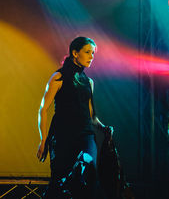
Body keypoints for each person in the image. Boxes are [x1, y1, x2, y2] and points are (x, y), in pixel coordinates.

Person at [37, 36, 112, 198]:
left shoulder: (89, 82)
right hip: (62, 136)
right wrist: (43, 140)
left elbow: (92, 115)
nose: (91, 56)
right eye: (87, 52)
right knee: (59, 181)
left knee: (89, 169)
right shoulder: (58, 77)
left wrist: (103, 127)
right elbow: (43, 110)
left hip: (85, 135)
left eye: (93, 53)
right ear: (75, 53)